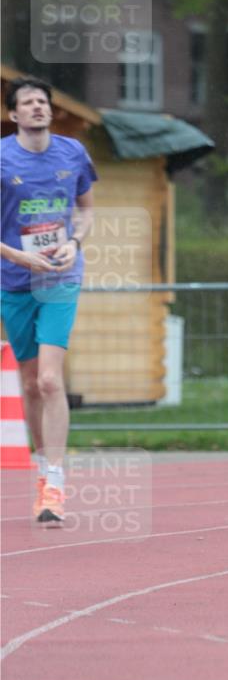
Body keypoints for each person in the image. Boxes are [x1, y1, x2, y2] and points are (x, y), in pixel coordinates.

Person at [1, 76, 97, 523]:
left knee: (49, 381)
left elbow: (86, 208)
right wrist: (17, 254)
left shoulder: (72, 153)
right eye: (28, 102)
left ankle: (54, 482)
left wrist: (75, 242)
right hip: (14, 280)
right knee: (27, 383)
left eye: (43, 100)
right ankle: (43, 469)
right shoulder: (2, 158)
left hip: (60, 278)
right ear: (14, 114)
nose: (37, 106)